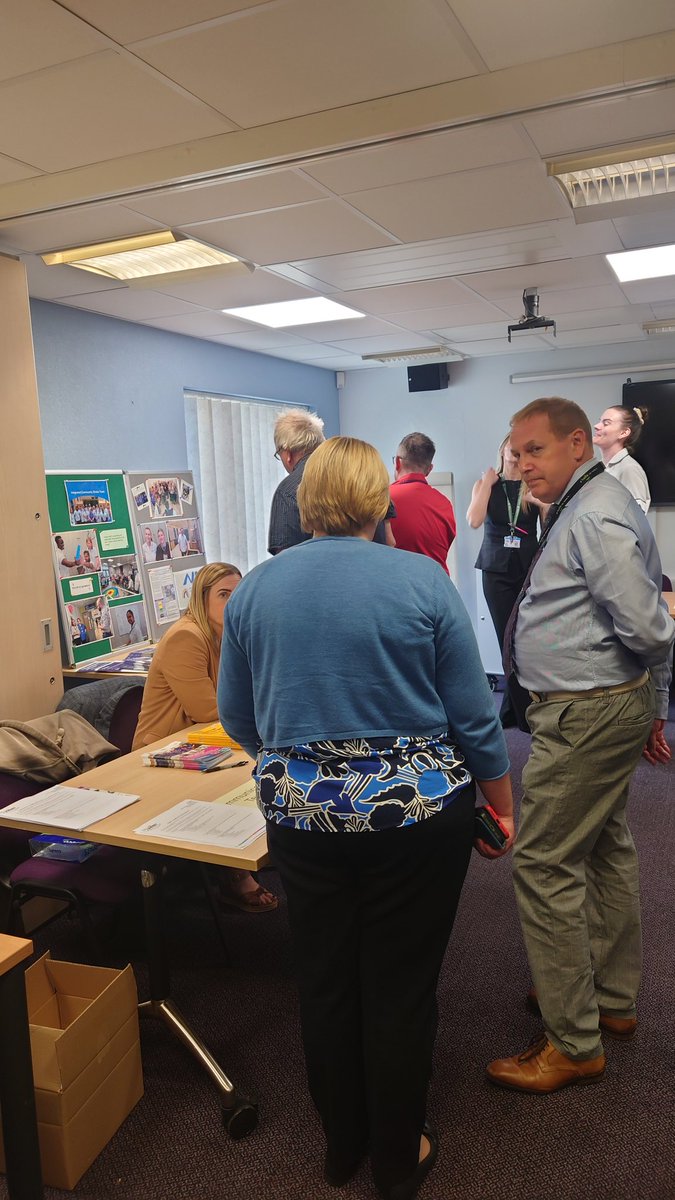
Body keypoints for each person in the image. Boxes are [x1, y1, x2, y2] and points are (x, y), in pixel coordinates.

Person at [218, 437, 513, 1198]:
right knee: (399, 982)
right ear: (378, 499)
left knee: (322, 976)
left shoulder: (254, 589)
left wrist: (304, 766)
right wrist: (500, 803)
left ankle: (340, 1144)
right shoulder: (418, 579)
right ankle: (394, 1153)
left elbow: (239, 719)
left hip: (302, 817)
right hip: (416, 817)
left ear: (306, 496)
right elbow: (473, 716)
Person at [486, 397, 674, 1095]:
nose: (523, 464)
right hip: (597, 705)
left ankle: (573, 1041)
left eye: (534, 450)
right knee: (602, 848)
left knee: (541, 863)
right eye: (516, 451)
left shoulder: (592, 512)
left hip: (588, 711)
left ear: (575, 444)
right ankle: (610, 1004)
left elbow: (650, 629)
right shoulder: (583, 502)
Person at [133, 563, 277, 913]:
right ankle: (235, 877)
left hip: (205, 743)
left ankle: (239, 866)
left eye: (237, 595)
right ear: (201, 599)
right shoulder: (188, 636)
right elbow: (208, 709)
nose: (232, 602)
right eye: (223, 595)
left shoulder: (226, 634)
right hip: (164, 750)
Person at [466, 435, 547, 729]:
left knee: (525, 638)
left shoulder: (533, 485)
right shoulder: (486, 484)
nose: (514, 453)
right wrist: (487, 485)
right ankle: (520, 709)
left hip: (527, 568)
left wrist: (540, 501)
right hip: (495, 569)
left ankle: (514, 708)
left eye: (521, 448)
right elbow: (474, 520)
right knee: (505, 638)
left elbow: (550, 525)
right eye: (510, 448)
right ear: (501, 450)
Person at [389, 432, 456, 572]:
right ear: (429, 469)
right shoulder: (444, 504)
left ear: (397, 462)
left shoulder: (381, 499)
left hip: (396, 587)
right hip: (437, 587)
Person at [267, 408, 325, 555]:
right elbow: (389, 540)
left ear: (287, 454)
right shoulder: (357, 477)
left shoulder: (288, 491)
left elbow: (284, 561)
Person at [593, 404, 651, 512]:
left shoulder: (629, 469)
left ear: (624, 432)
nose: (596, 426)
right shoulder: (597, 468)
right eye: (600, 421)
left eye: (606, 423)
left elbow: (636, 516)